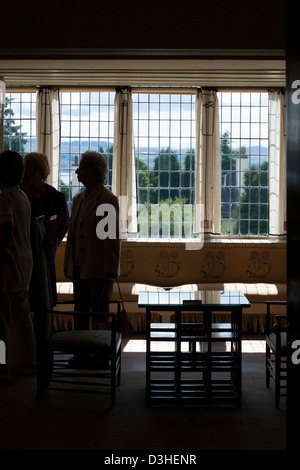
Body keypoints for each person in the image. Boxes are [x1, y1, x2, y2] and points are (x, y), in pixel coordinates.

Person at [63, 151, 120, 330]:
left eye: (80, 168)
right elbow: (72, 236)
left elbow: (110, 239)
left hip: (98, 268)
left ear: (92, 171)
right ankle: (81, 352)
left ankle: (99, 355)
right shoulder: (78, 199)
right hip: (79, 266)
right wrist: (69, 264)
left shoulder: (107, 200)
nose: (77, 172)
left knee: (99, 315)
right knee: (80, 312)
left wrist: (110, 268)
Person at [0, 150, 36, 381]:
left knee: (2, 320)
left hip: (8, 263)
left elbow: (6, 226)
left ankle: (2, 368)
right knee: (22, 318)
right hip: (24, 263)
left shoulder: (4, 197)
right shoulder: (22, 195)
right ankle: (28, 363)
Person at [22, 152, 69, 304]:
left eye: (30, 168)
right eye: (24, 168)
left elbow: (63, 226)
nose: (26, 171)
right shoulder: (18, 194)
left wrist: (51, 244)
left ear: (41, 172)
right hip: (21, 256)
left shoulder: (55, 197)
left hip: (44, 255)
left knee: (44, 301)